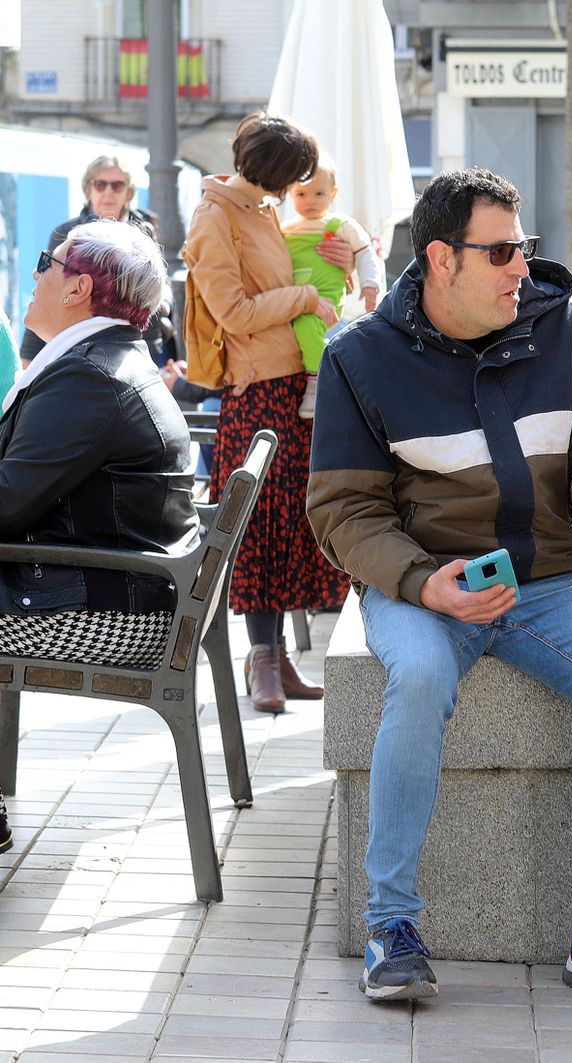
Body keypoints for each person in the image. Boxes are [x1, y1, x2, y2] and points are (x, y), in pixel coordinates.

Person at [306, 167, 572, 1007]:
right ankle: (391, 925)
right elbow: (341, 511)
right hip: (421, 582)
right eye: (504, 251)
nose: (522, 267)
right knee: (422, 676)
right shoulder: (360, 357)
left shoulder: (564, 330)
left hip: (549, 578)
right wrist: (420, 581)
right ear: (442, 258)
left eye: (527, 248)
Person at [183, 113, 351, 714]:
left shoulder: (260, 211)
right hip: (255, 390)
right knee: (258, 528)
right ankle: (262, 661)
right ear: (277, 174)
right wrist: (306, 296)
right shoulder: (216, 215)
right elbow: (233, 311)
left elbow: (296, 276)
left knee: (291, 525)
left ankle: (277, 660)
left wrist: (339, 257)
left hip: (293, 387)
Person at [0, 221, 197, 691]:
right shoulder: (108, 360)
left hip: (103, 616)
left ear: (79, 288)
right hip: (113, 593)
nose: (35, 276)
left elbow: (5, 505)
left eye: (47, 264)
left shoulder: (89, 377)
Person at [19, 156, 171, 365]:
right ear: (89, 189)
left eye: (117, 186)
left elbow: (158, 285)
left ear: (128, 193)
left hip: (137, 339)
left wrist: (163, 303)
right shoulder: (66, 233)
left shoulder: (143, 231)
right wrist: (29, 357)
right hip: (82, 344)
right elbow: (47, 287)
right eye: (100, 184)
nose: (108, 192)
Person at [282, 160, 383, 419]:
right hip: (294, 298)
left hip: (325, 297)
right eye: (301, 194)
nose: (310, 201)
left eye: (319, 194)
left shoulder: (339, 224)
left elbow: (365, 252)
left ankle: (316, 380)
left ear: (333, 194)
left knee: (306, 326)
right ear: (291, 193)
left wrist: (370, 283)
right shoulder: (286, 228)